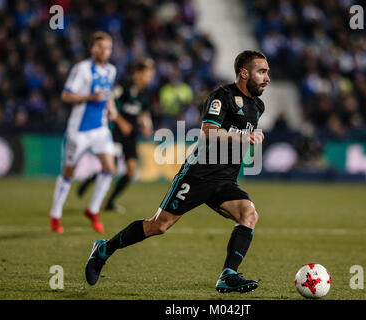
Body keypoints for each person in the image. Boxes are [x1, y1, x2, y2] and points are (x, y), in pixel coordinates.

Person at [85, 50, 270, 294]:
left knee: (249, 214)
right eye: (262, 72)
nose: (267, 78)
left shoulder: (258, 106)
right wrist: (243, 136)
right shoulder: (221, 96)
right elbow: (208, 132)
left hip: (225, 180)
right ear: (244, 73)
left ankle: (228, 274)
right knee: (158, 226)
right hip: (198, 175)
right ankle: (104, 249)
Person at [49, 31, 118, 234]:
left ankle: (93, 210)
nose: (105, 51)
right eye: (101, 47)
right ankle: (55, 214)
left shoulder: (111, 70)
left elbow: (108, 94)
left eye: (108, 48)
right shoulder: (82, 69)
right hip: (78, 131)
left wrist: (111, 108)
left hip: (100, 129)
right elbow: (66, 96)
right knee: (69, 172)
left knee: (110, 169)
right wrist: (89, 97)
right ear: (92, 49)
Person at [77, 58, 155, 213]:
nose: (150, 78)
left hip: (131, 135)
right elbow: (109, 102)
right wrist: (121, 122)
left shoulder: (145, 92)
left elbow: (143, 112)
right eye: (148, 74)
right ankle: (90, 182)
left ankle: (109, 202)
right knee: (110, 169)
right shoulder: (124, 86)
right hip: (116, 133)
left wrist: (147, 125)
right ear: (138, 73)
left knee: (131, 170)